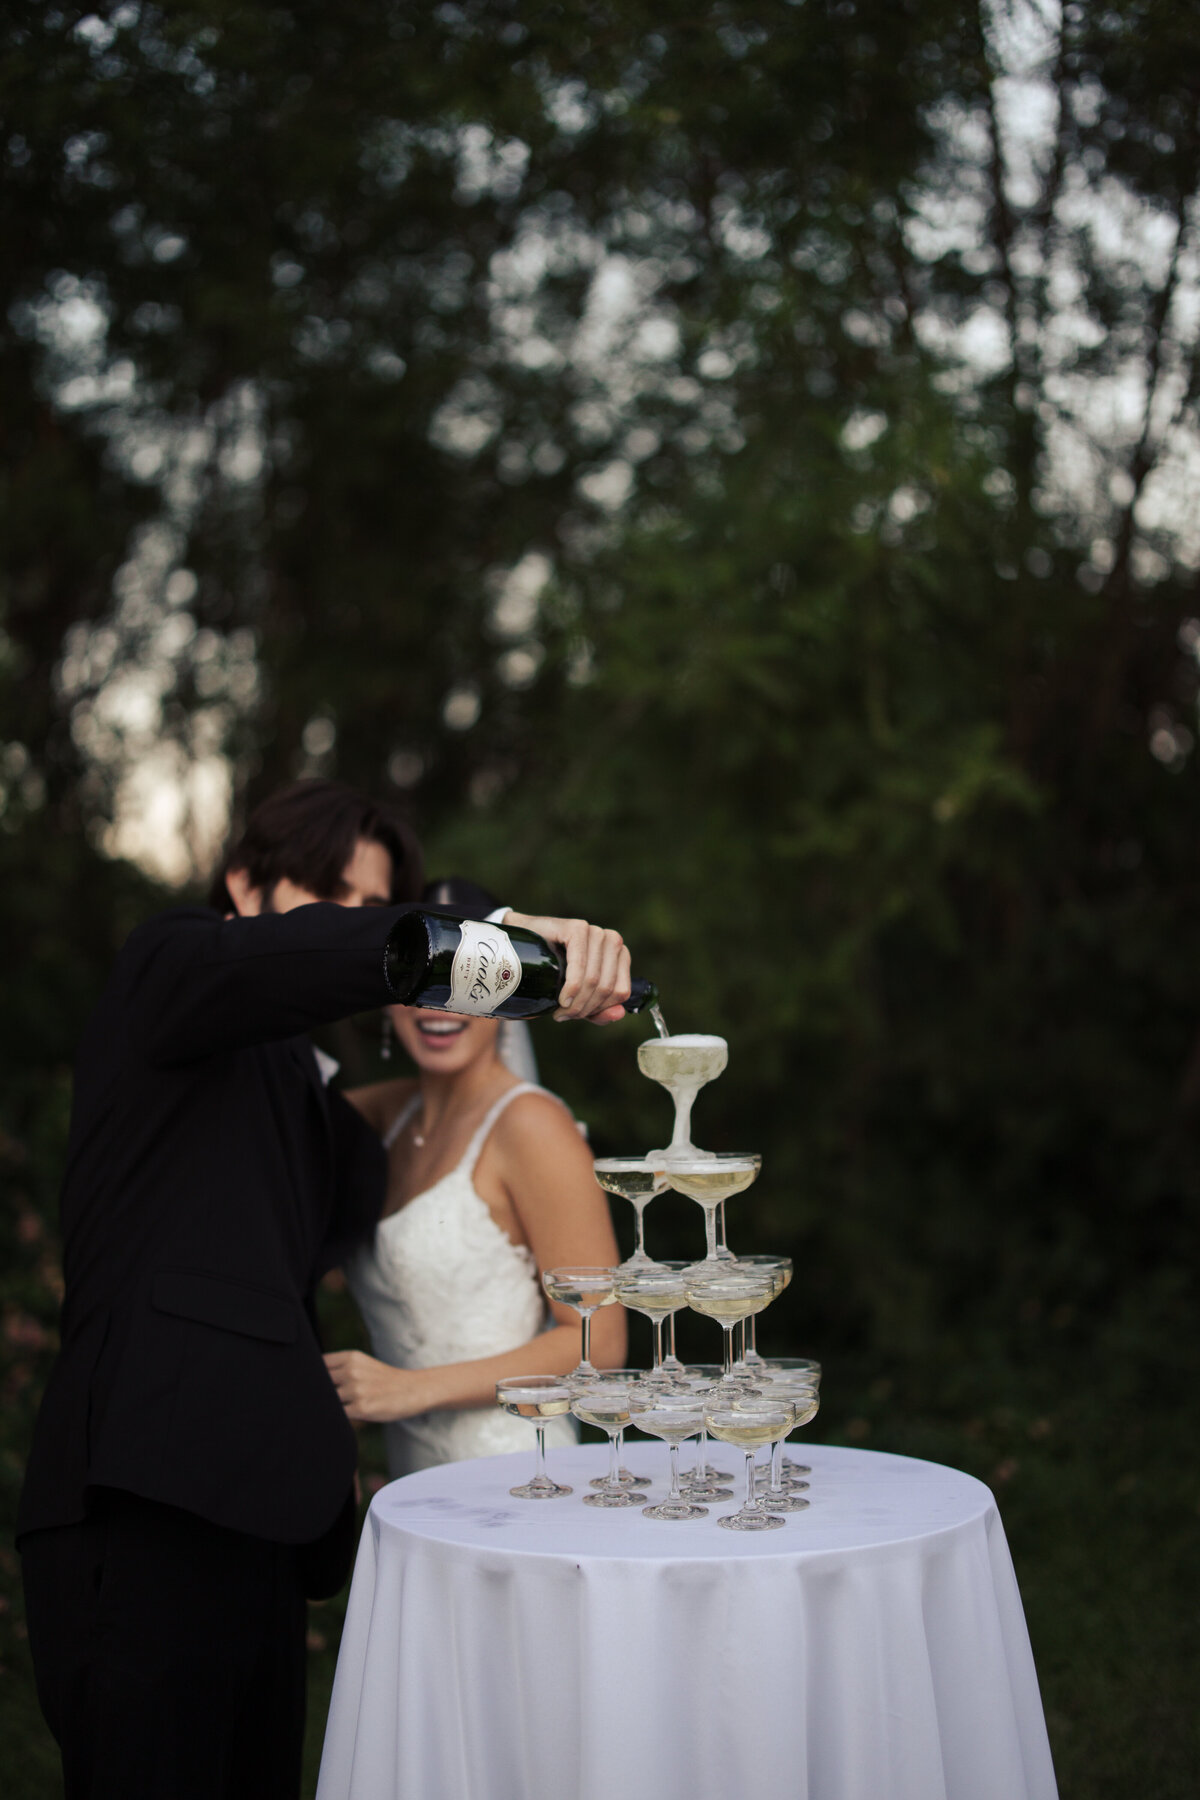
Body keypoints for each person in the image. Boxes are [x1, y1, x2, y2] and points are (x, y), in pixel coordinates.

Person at [16, 779, 633, 1800]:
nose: (356, 926)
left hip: (271, 1529)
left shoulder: (324, 1111)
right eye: (334, 898)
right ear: (243, 884)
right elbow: (314, 962)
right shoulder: (167, 970)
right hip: (146, 1507)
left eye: (375, 904)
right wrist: (501, 939)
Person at [323, 877, 627, 1474]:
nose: (444, 1003)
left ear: (511, 987)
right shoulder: (381, 1116)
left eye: (470, 978)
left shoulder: (531, 1125)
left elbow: (600, 1339)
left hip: (515, 1473)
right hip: (412, 1481)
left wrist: (411, 1388)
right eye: (428, 973)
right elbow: (265, 1103)